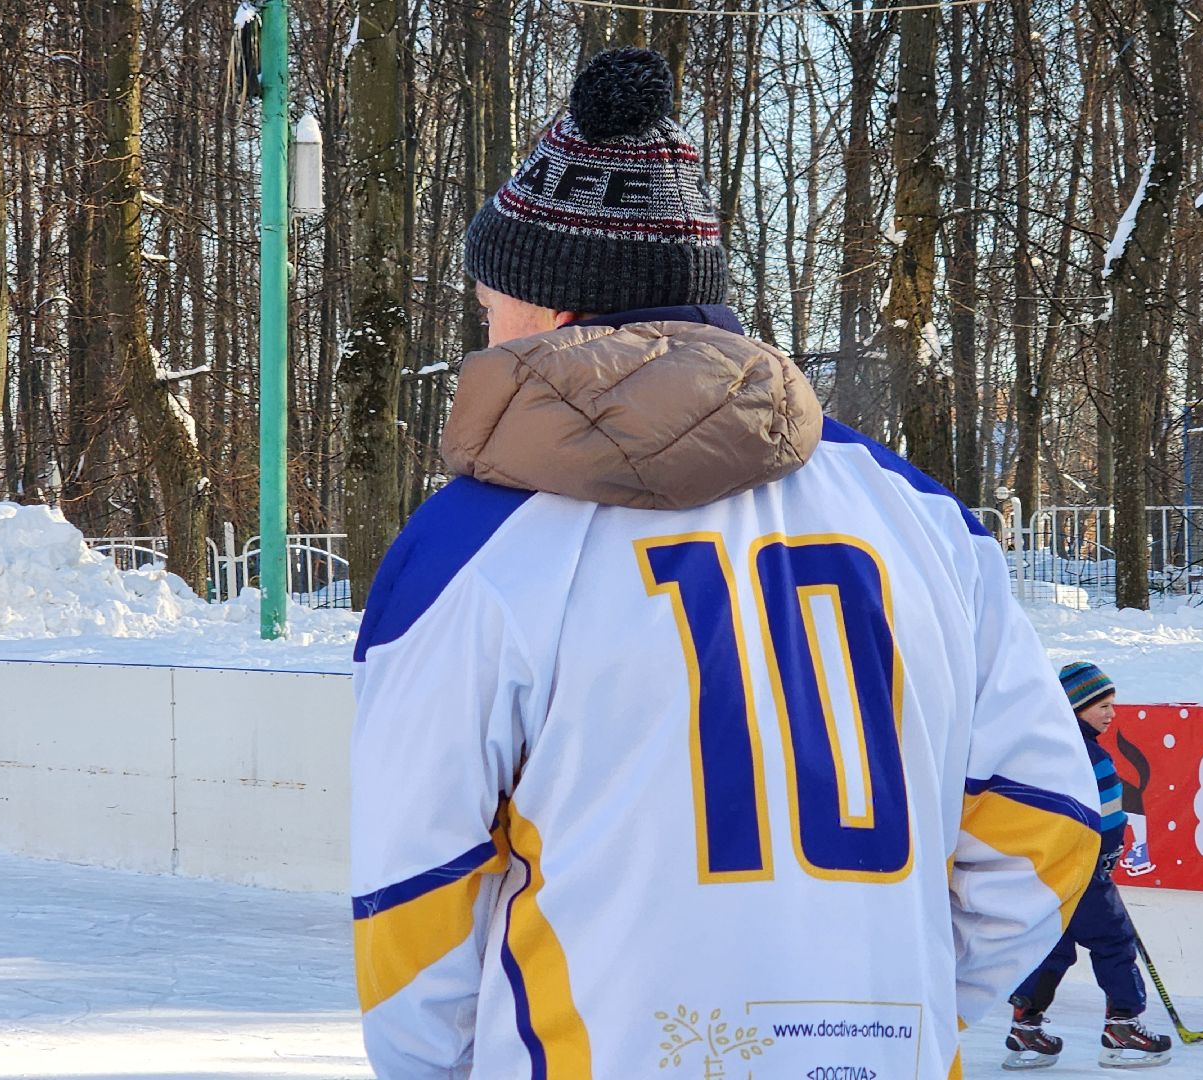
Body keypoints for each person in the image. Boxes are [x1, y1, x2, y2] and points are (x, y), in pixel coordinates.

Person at [350, 47, 1101, 1080]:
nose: (484, 331)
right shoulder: (924, 520)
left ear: (558, 310)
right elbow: (1046, 823)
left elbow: (415, 893)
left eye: (491, 311)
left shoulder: (468, 550)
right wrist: (909, 1008)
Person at [1002, 661, 1174, 1070]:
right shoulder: (1079, 753)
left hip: (1061, 871)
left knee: (1053, 946)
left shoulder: (1058, 746)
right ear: (1076, 707)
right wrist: (1099, 857)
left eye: (1112, 703)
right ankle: (1123, 1027)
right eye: (1102, 705)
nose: (1111, 713)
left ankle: (1024, 1027)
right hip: (1082, 870)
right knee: (1115, 941)